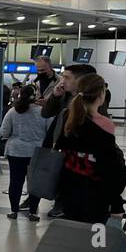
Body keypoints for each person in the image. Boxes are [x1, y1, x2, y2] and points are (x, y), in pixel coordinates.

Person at [54, 73, 126, 224]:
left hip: (68, 189)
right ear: (101, 95)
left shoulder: (68, 117)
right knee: (95, 242)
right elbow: (109, 167)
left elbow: (58, 146)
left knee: (74, 237)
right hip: (95, 193)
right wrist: (116, 203)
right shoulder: (104, 124)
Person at [38, 62, 97, 216]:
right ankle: (45, 198)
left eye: (66, 77)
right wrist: (55, 96)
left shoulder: (91, 99)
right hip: (60, 144)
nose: (62, 80)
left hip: (78, 150)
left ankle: (63, 203)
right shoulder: (63, 94)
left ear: (80, 80)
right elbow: (45, 113)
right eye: (62, 76)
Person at [0, 85, 48, 220]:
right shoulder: (43, 112)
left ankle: (14, 211)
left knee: (15, 182)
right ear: (36, 95)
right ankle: (32, 212)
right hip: (37, 152)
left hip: (16, 151)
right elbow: (50, 131)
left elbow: (4, 132)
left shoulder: (13, 111)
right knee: (34, 183)